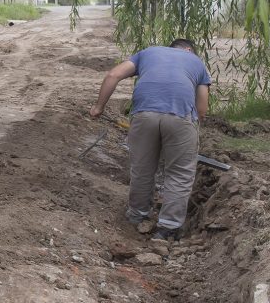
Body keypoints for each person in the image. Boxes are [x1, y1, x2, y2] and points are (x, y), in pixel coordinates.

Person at [89, 38, 211, 241]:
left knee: (142, 168)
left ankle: (137, 216)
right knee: (179, 172)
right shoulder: (197, 62)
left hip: (143, 114)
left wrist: (98, 107)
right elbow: (202, 108)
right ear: (189, 50)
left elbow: (113, 75)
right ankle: (167, 229)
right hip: (180, 117)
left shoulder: (148, 52)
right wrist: (189, 130)